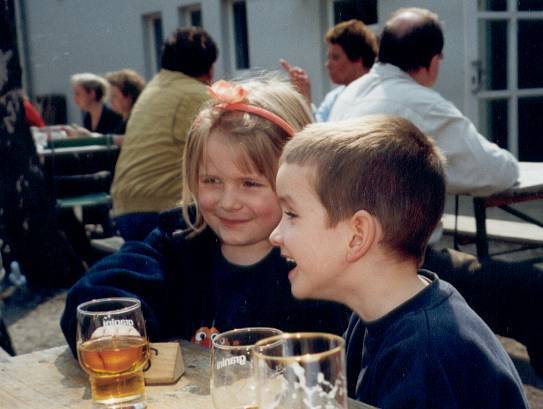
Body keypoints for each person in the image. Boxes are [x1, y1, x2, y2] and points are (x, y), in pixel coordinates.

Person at [60, 75, 349, 356]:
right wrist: (116, 327)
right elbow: (99, 288)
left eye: (250, 183)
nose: (228, 202)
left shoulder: (318, 271)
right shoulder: (180, 242)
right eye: (211, 181)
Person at [330, 7, 543, 376]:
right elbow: (495, 170)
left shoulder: (353, 92)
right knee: (533, 288)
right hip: (402, 263)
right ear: (432, 62)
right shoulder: (419, 101)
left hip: (351, 250)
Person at [270, 115, 528, 408]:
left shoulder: (426, 353)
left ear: (357, 236)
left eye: (291, 214)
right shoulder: (373, 313)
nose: (274, 235)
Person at [111, 27, 218, 241]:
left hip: (125, 209)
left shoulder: (152, 89)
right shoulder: (197, 95)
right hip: (165, 211)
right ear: (208, 68)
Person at [280, 19, 377, 122]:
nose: (327, 65)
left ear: (358, 59)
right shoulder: (333, 98)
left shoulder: (378, 95)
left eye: (335, 57)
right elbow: (314, 132)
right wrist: (304, 97)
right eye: (328, 58)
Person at [104, 68, 146, 136]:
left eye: (115, 96)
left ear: (129, 96)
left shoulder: (138, 122)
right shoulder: (119, 120)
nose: (110, 100)